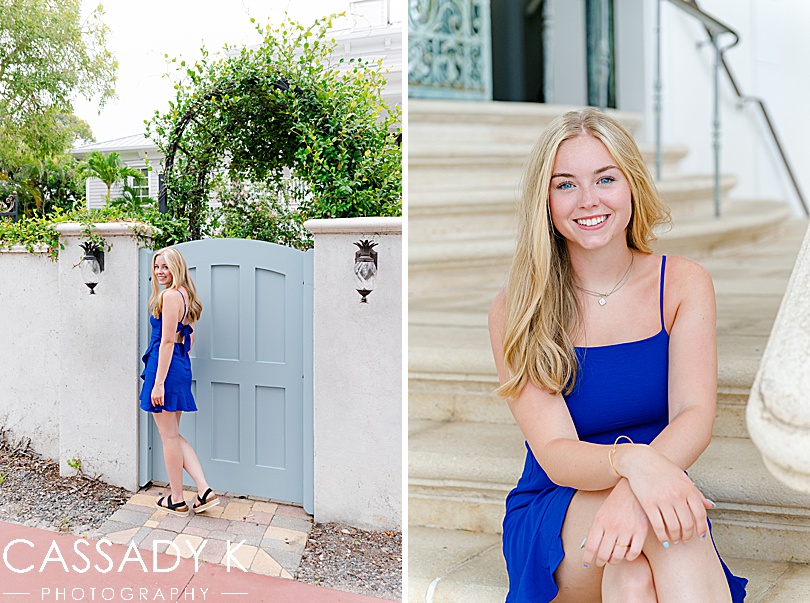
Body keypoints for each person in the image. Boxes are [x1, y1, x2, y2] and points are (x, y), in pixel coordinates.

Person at [488, 109, 747, 602]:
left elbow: (695, 415)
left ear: (631, 185)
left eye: (605, 179)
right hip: (560, 508)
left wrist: (637, 485)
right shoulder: (516, 309)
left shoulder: (683, 283)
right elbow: (557, 453)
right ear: (544, 202)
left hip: (657, 487)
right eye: (565, 185)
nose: (589, 200)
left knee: (632, 578)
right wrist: (634, 465)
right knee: (664, 529)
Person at [140, 247, 219, 517]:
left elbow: (168, 341)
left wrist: (159, 382)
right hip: (180, 365)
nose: (160, 272)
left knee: (168, 436)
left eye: (165, 267)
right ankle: (204, 489)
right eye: (157, 267)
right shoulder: (187, 294)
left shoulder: (171, 295)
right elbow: (190, 337)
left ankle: (176, 498)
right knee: (172, 434)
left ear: (177, 267)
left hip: (165, 368)